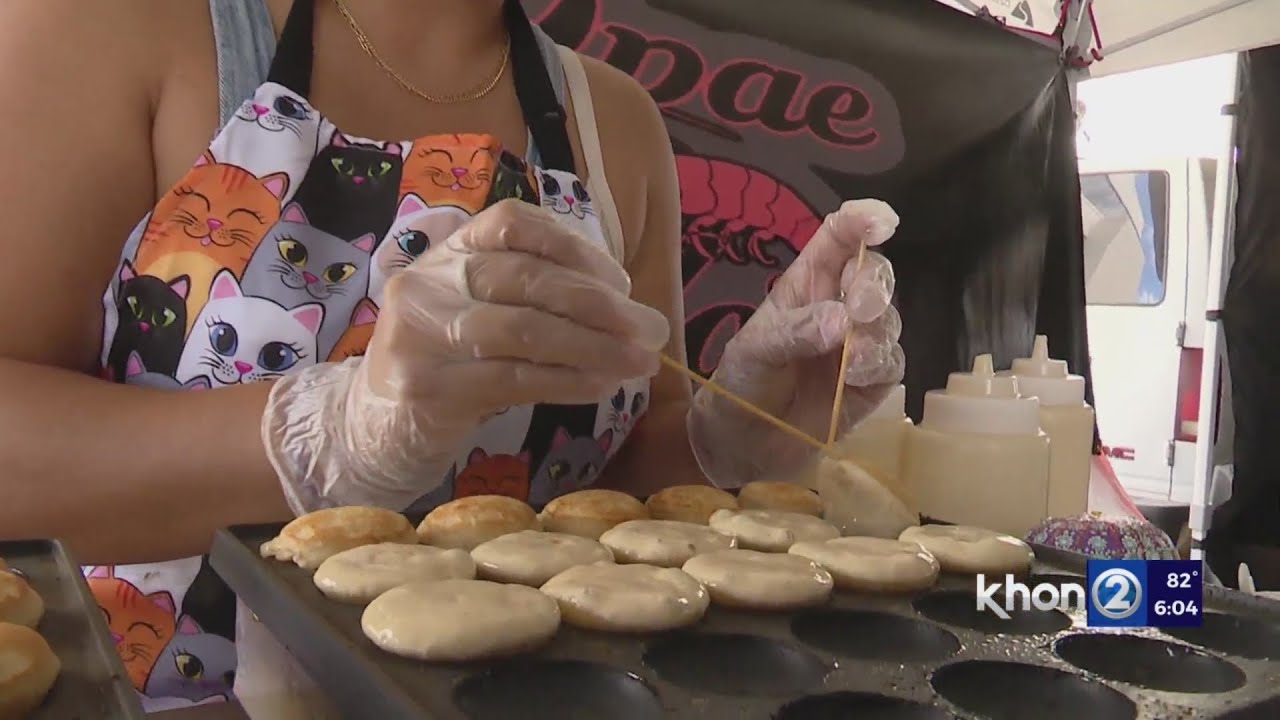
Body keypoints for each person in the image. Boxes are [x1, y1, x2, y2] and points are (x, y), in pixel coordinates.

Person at [0, 0, 903, 712]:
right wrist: (327, 435)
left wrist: (732, 437)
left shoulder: (611, 122)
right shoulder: (115, 23)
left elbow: (605, 480)